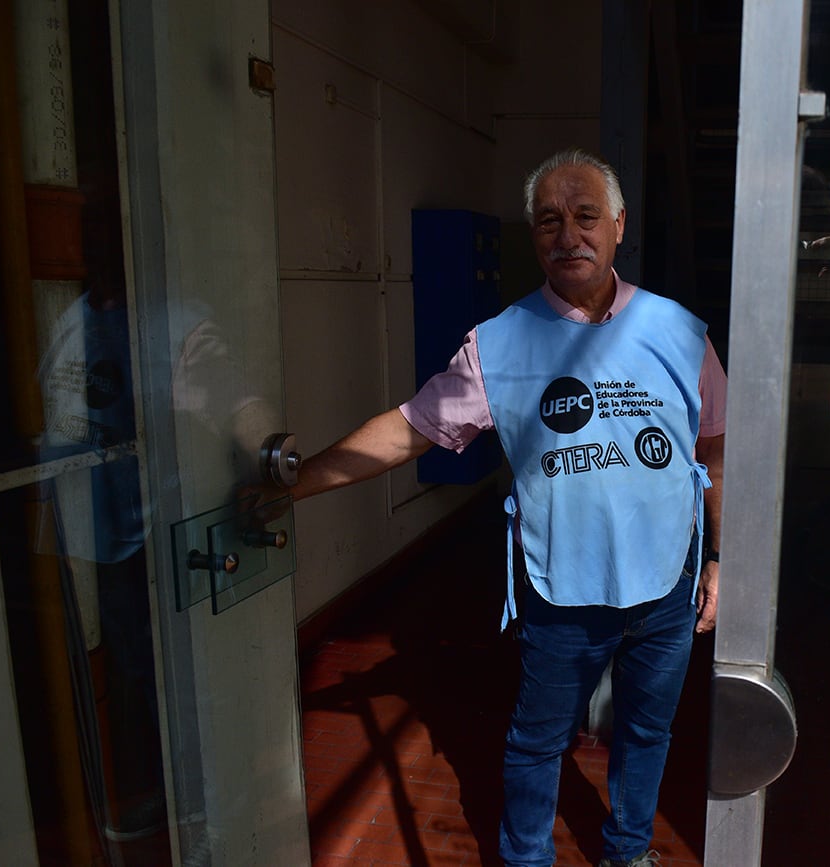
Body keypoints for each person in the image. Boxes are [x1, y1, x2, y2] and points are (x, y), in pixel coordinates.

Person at [286, 147, 726, 867]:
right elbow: (408, 429)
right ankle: (526, 859)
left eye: (586, 216)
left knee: (647, 731)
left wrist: (717, 555)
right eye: (549, 220)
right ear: (533, 235)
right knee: (537, 741)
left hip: (668, 588)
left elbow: (712, 446)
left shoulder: (679, 331)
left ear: (619, 224)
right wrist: (297, 481)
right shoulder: (500, 343)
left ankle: (629, 850)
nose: (568, 235)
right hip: (563, 594)